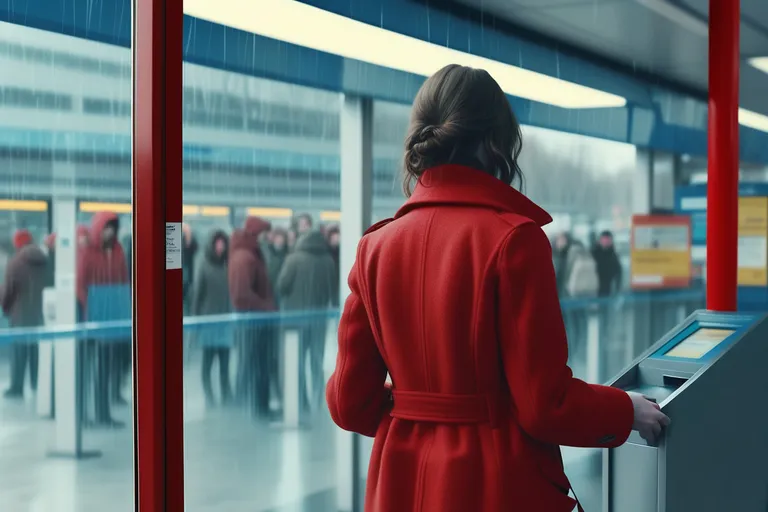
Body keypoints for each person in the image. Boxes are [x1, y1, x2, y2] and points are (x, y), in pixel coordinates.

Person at [325, 64, 669, 512]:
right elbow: (545, 404)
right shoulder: (513, 240)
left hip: (399, 489)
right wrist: (628, 410)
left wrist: (420, 408)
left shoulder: (374, 248)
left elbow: (351, 403)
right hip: (494, 487)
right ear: (494, 144)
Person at [77, 212, 129, 427]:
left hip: (112, 319)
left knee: (105, 369)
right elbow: (80, 284)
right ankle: (82, 415)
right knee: (88, 370)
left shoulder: (118, 251)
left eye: (113, 227)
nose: (110, 231)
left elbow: (124, 280)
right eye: (107, 227)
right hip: (92, 318)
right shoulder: (88, 252)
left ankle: (103, 413)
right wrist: (90, 306)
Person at [276, 229, 336, 413]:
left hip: (295, 321)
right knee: (316, 363)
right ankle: (318, 401)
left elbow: (281, 286)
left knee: (298, 363)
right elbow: (333, 291)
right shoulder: (328, 261)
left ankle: (302, 401)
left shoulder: (293, 259)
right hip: (319, 321)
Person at [228, 216, 276, 419]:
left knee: (255, 365)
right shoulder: (244, 257)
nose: (269, 237)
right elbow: (241, 296)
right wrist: (268, 306)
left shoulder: (250, 254)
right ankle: (252, 409)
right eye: (265, 233)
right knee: (253, 365)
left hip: (257, 321)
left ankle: (258, 407)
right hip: (253, 322)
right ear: (257, 234)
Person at [1, 230, 47, 399]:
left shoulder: (15, 263)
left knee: (19, 353)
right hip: (40, 315)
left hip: (19, 315)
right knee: (36, 352)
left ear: (17, 244)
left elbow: (8, 291)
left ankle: (17, 387)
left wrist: (6, 308)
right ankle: (37, 383)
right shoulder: (44, 260)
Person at [192, 230, 232, 407]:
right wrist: (197, 321)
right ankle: (209, 396)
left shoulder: (228, 265)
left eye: (223, 243)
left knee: (225, 363)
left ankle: (226, 395)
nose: (221, 246)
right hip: (209, 321)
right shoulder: (204, 265)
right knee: (207, 363)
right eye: (218, 243)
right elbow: (197, 295)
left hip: (226, 321)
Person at [592, 230, 622, 297]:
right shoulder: (594, 253)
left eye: (608, 240)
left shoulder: (614, 255)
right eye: (604, 239)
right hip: (594, 288)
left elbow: (618, 272)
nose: (605, 242)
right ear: (600, 240)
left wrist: (617, 288)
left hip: (608, 288)